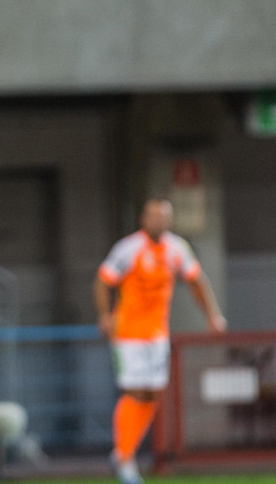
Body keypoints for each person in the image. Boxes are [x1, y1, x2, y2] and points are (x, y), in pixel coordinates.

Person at [94, 198, 227, 484]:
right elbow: (103, 281)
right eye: (153, 216)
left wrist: (213, 315)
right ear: (144, 219)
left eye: (163, 216)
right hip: (127, 332)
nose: (158, 221)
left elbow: (196, 280)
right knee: (134, 391)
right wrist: (105, 316)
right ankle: (125, 459)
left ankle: (122, 453)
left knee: (153, 393)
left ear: (170, 220)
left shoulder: (177, 248)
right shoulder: (128, 248)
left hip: (157, 333)